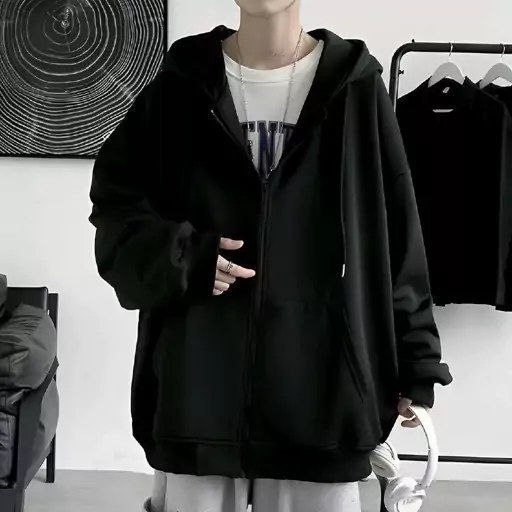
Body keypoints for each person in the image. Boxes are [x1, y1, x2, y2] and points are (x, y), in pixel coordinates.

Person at [88, 1, 453, 511]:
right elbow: (116, 207)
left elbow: (397, 233)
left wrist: (416, 357)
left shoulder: (357, 89)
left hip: (322, 401)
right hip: (197, 397)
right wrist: (184, 257)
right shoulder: (179, 87)